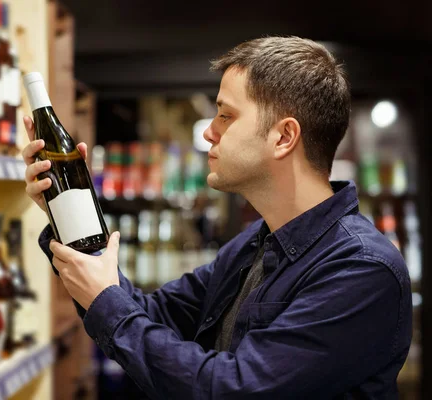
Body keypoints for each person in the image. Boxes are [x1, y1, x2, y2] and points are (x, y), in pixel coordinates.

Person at [22, 36, 412, 399]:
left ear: (283, 137)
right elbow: (153, 315)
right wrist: (67, 210)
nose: (209, 132)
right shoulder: (255, 244)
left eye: (225, 115)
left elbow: (231, 389)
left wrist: (106, 303)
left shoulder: (360, 269)